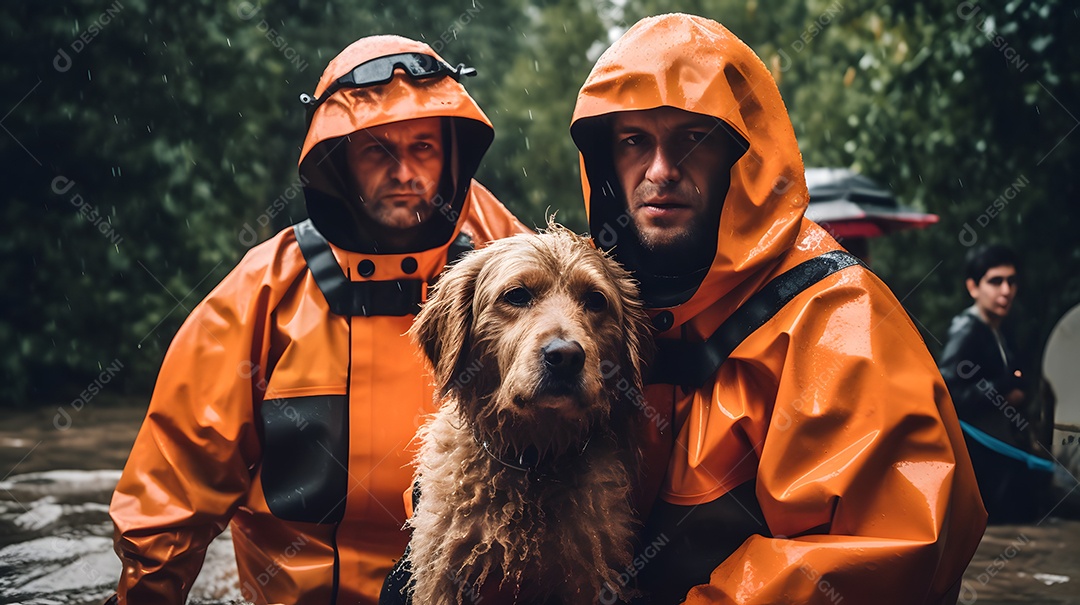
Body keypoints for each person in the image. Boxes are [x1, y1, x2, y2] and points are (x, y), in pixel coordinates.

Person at [569, 14, 987, 604]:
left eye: (692, 138)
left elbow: (886, 549)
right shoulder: (584, 300)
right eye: (634, 140)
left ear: (741, 156)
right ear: (605, 161)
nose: (660, 171)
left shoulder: (841, 317)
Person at [107, 35, 527, 604]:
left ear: (451, 157)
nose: (404, 171)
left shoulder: (520, 267)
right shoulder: (259, 295)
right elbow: (171, 498)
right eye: (377, 149)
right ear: (338, 162)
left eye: (423, 148)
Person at [939, 244, 1046, 523]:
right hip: (979, 462)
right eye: (995, 281)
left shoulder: (1001, 328)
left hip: (1001, 455)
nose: (1006, 290)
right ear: (973, 287)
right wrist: (1001, 390)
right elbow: (948, 394)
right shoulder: (966, 330)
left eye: (1011, 281)